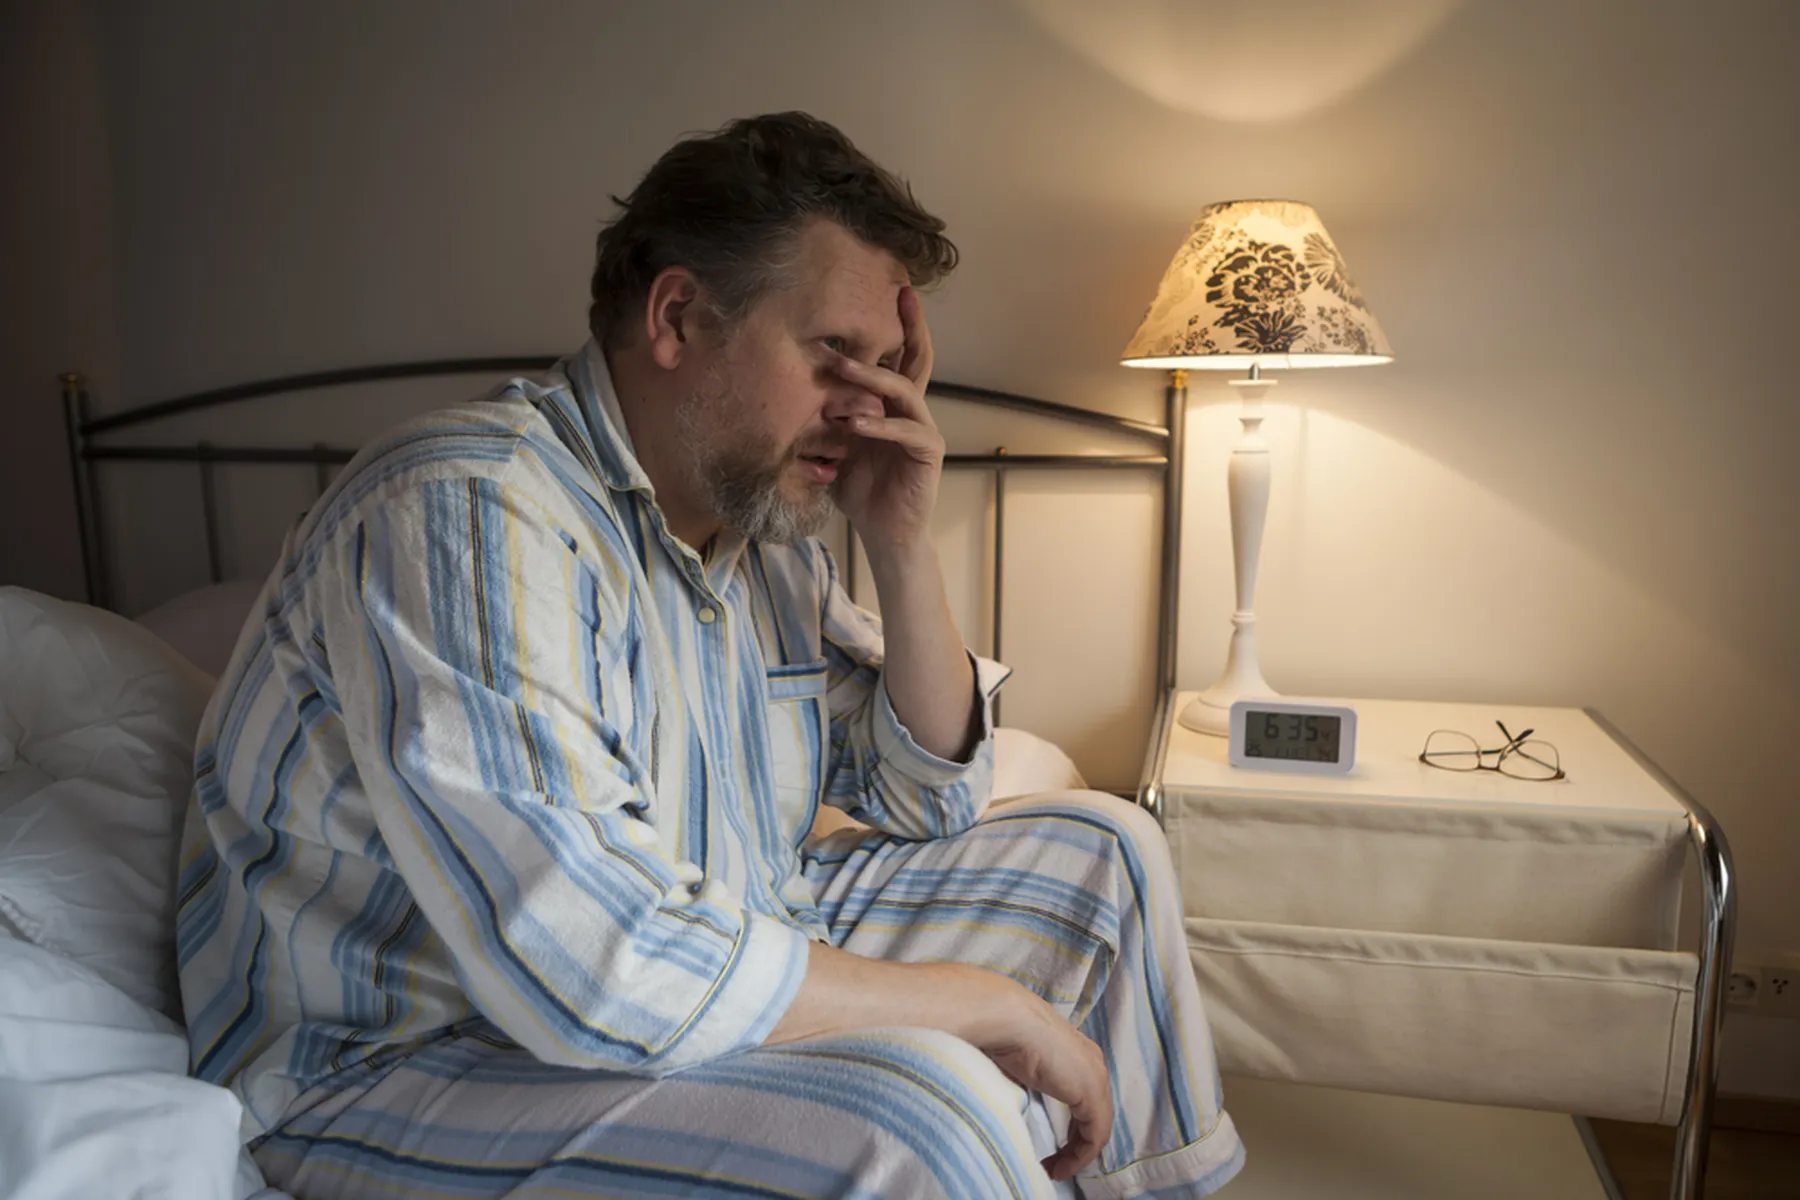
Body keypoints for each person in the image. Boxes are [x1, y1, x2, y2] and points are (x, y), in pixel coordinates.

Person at [177, 111, 1244, 1200]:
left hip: (732, 919)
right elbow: (598, 962)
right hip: (407, 1064)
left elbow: (923, 795)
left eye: (888, 367)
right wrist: (978, 1002)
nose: (870, 408)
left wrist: (900, 541)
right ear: (679, 316)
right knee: (924, 1117)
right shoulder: (466, 510)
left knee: (1105, 850)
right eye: (834, 354)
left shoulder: (754, 534)